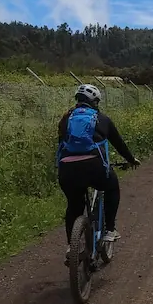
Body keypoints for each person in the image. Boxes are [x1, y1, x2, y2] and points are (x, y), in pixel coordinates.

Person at [57, 83, 139, 263]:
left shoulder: (65, 120)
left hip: (67, 170)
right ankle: (110, 229)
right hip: (94, 167)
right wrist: (131, 159)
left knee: (74, 204)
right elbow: (118, 144)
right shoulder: (102, 119)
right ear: (95, 102)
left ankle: (72, 246)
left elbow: (62, 147)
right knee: (112, 187)